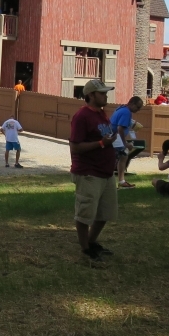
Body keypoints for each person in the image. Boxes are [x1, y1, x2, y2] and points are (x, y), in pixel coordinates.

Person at [69, 79, 119, 263]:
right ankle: (85, 248)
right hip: (89, 172)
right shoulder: (82, 116)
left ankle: (91, 242)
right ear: (91, 95)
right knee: (85, 213)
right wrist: (100, 143)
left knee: (105, 213)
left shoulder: (102, 114)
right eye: (102, 93)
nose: (106, 96)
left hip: (105, 172)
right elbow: (75, 147)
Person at [111, 96, 144, 189]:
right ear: (132, 104)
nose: (138, 110)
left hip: (113, 135)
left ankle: (121, 182)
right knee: (114, 159)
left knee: (123, 156)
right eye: (138, 107)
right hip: (115, 136)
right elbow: (120, 128)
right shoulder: (126, 112)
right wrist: (125, 143)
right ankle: (113, 183)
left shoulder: (122, 108)